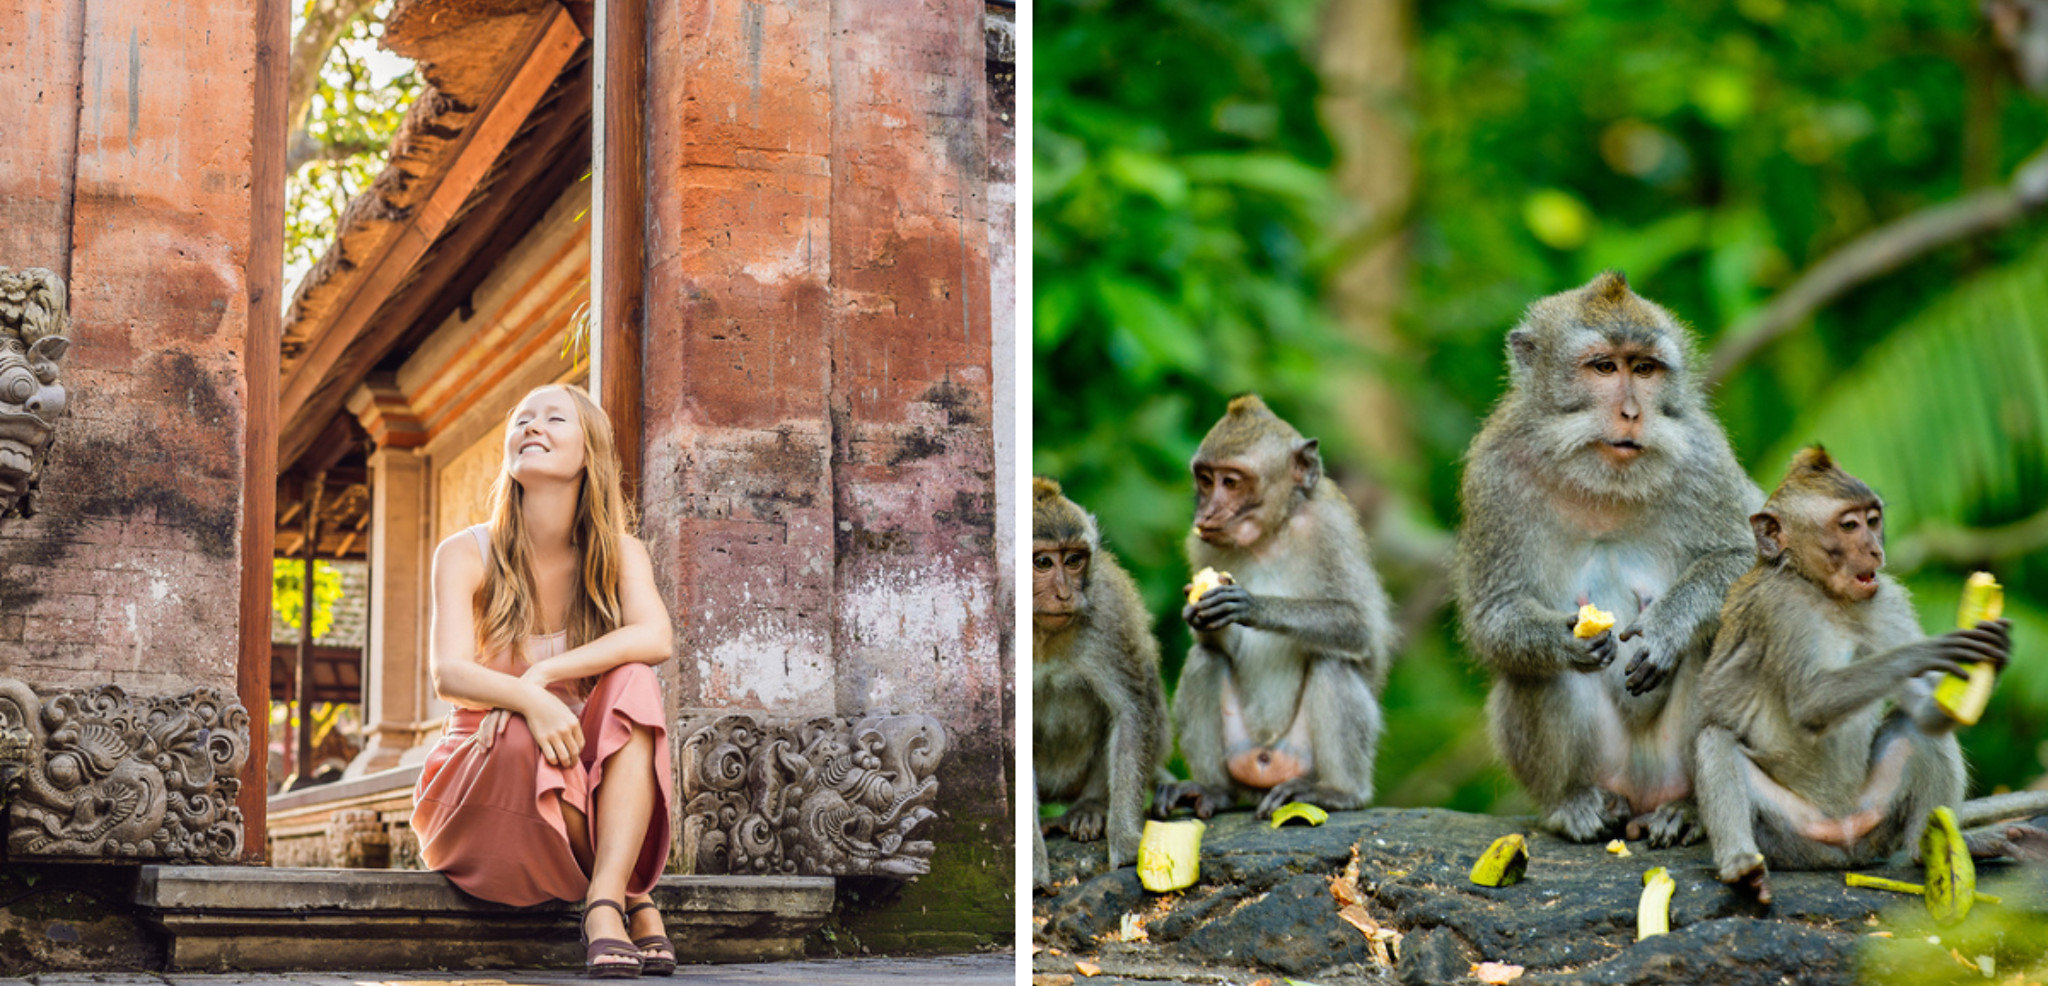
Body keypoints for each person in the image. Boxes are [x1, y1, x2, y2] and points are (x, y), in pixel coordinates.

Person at [411, 383, 678, 977]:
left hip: (575, 767)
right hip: (485, 769)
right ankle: (632, 897)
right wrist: (528, 704)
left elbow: (656, 639)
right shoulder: (466, 553)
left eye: (554, 418)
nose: (531, 426)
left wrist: (545, 677)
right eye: (521, 418)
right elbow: (449, 674)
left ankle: (604, 901)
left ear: (591, 453)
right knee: (522, 734)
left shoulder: (620, 553)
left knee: (634, 678)